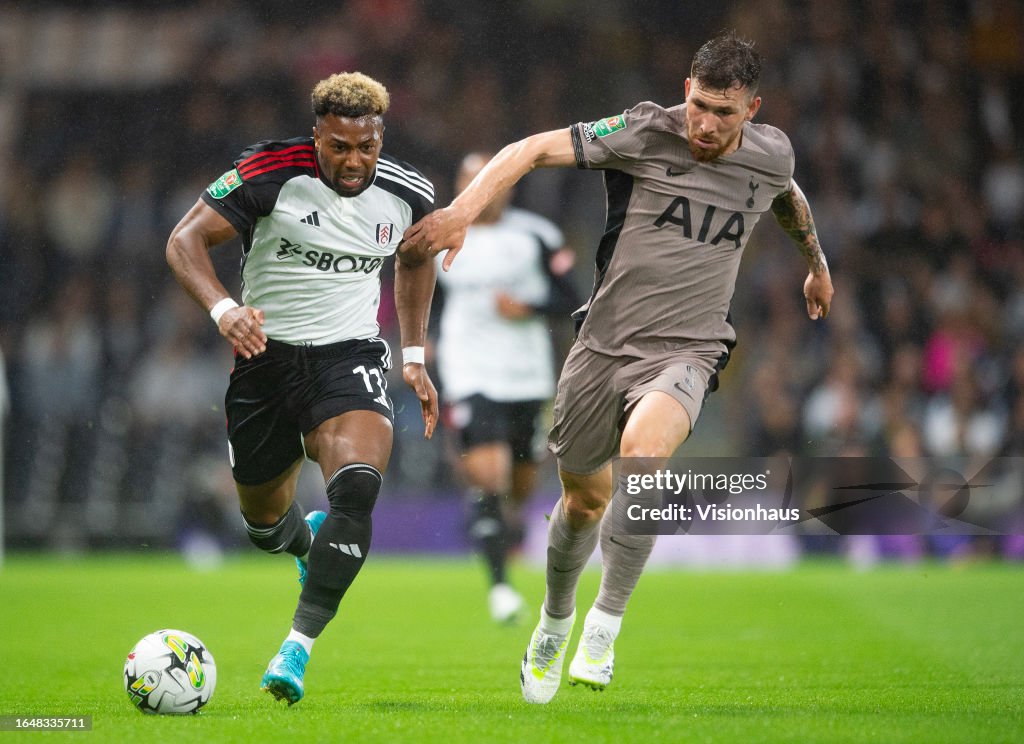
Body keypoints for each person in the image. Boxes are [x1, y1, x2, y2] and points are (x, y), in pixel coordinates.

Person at [403, 31, 834, 704]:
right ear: (687, 90)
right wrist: (461, 211)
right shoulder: (642, 131)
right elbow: (530, 148)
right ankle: (555, 620)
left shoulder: (771, 154)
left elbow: (787, 194)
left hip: (689, 347)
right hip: (601, 348)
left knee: (644, 456)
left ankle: (604, 627)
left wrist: (816, 264)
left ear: (753, 110)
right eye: (700, 105)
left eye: (725, 113)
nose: (706, 124)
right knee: (582, 503)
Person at [166, 72, 438, 705]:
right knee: (263, 521)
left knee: (359, 487)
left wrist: (416, 355)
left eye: (366, 146)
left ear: (380, 137)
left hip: (349, 357)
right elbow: (184, 241)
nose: (354, 161)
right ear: (317, 136)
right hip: (264, 359)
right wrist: (222, 310)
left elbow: (417, 257)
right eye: (339, 146)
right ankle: (303, 543)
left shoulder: (408, 192)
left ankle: (297, 648)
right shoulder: (268, 170)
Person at [434, 153, 581, 624]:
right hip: (470, 370)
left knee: (517, 488)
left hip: (526, 375)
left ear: (507, 185)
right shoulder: (439, 234)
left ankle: (493, 527)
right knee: (490, 476)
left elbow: (573, 300)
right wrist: (422, 347)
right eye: (468, 180)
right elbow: (425, 296)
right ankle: (499, 588)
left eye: (488, 181)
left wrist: (529, 306)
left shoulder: (535, 235)